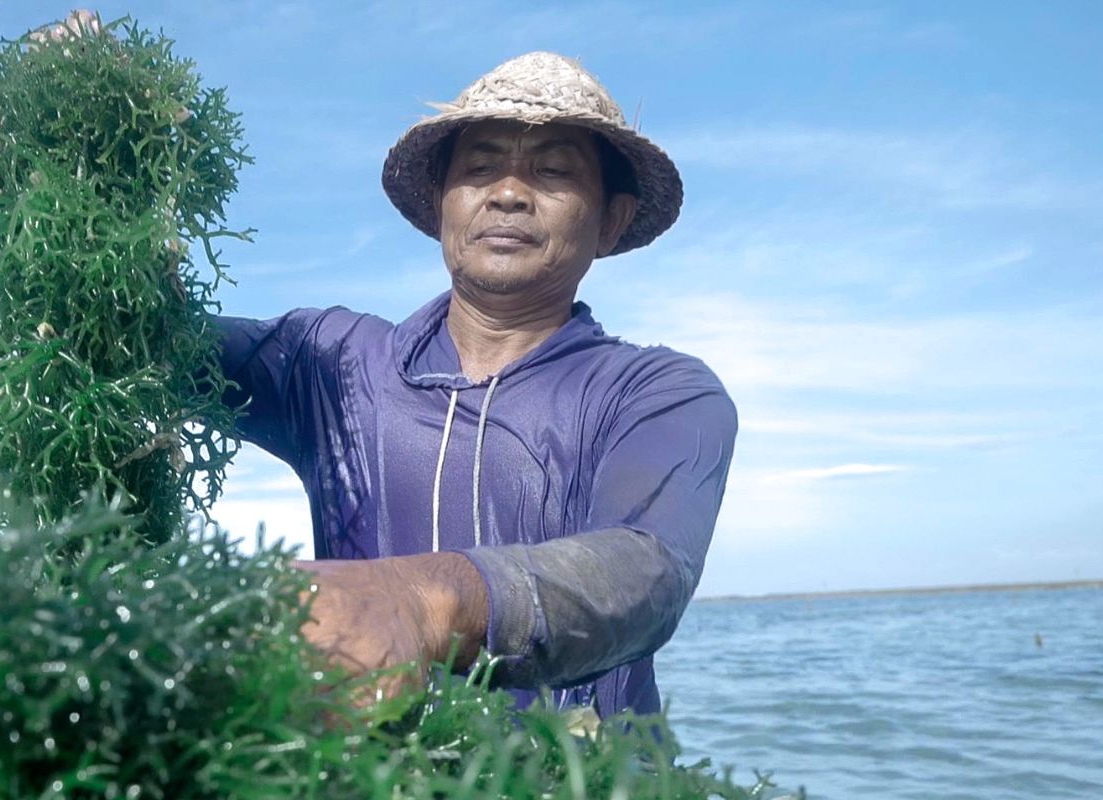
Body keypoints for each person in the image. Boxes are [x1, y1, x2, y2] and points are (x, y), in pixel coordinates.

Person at [217, 51, 736, 724]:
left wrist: (424, 597)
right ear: (441, 204)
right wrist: (80, 134)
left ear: (611, 219)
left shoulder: (657, 392)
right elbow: (138, 341)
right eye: (480, 167)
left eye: (552, 171)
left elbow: (647, 569)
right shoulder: (331, 363)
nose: (510, 192)